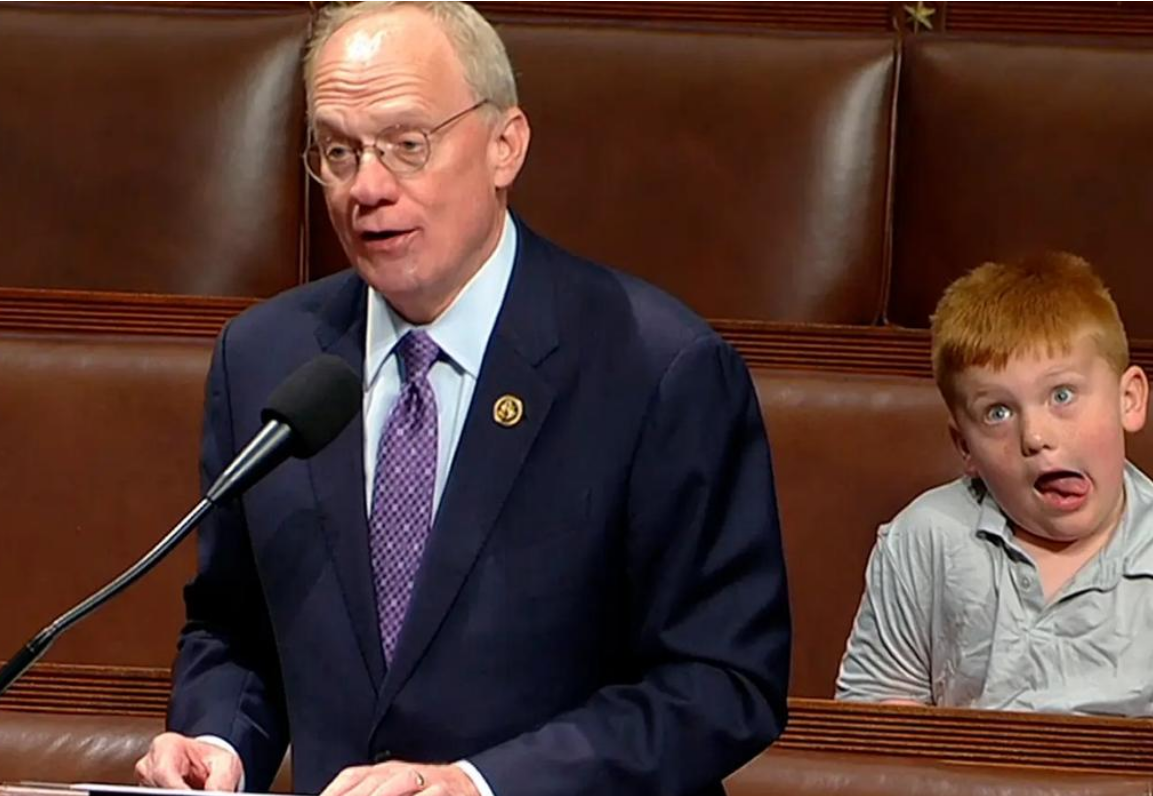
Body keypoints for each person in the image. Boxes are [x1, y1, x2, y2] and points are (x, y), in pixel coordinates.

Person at [135, 3, 791, 795]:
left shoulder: (658, 369)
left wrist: (479, 784)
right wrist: (219, 739)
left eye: (408, 145)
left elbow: (722, 682)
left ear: (504, 145)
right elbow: (236, 627)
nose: (366, 187)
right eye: (338, 152)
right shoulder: (266, 359)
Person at [835, 253, 1153, 796]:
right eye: (998, 413)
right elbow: (871, 742)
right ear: (965, 448)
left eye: (1062, 395)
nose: (1036, 436)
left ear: (1129, 400)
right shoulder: (923, 539)